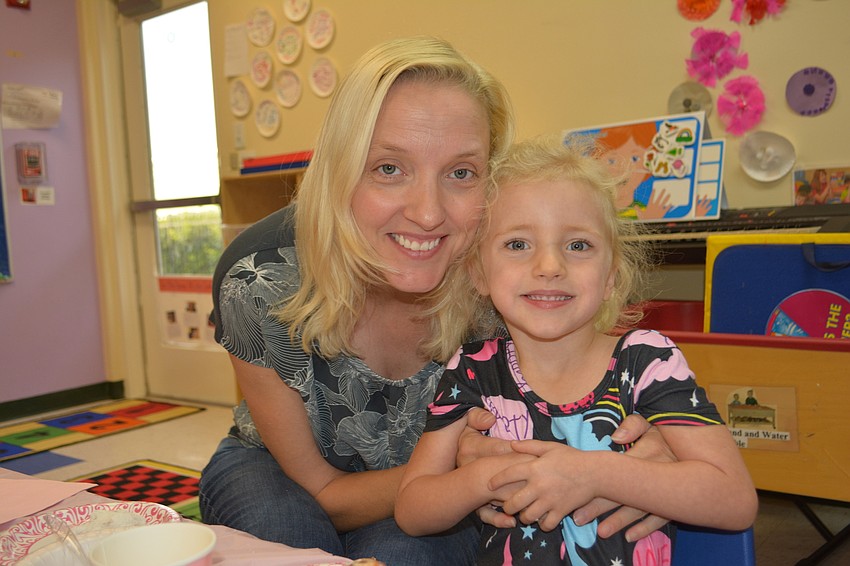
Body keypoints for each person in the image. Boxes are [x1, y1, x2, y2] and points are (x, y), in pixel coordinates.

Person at [199, 37, 670, 565]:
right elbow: (322, 490)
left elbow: (603, 382)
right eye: (389, 168)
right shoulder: (260, 280)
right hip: (280, 472)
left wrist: (642, 451)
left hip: (452, 493)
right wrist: (463, 472)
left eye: (461, 173)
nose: (427, 213)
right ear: (339, 170)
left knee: (405, 553)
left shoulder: (507, 278)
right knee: (282, 533)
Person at [396, 134, 758, 564]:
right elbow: (412, 509)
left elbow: (734, 500)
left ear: (611, 277)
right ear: (479, 272)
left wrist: (593, 474)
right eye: (518, 244)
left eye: (578, 245)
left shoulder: (647, 361)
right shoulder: (473, 369)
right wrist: (485, 477)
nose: (550, 267)